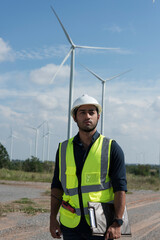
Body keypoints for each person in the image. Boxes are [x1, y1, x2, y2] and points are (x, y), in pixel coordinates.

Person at [50, 94, 127, 240]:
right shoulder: (63, 149)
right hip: (70, 225)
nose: (87, 116)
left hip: (101, 223)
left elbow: (120, 188)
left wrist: (118, 222)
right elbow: (57, 186)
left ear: (98, 116)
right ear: (74, 117)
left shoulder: (111, 148)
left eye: (92, 112)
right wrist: (52, 218)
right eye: (82, 112)